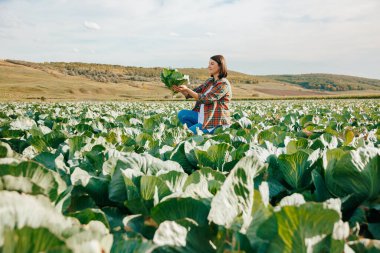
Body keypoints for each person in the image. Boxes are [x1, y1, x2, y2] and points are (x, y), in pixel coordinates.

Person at [173, 55, 232, 134]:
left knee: (187, 134)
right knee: (182, 114)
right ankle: (197, 133)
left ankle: (196, 133)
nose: (209, 66)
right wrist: (181, 89)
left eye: (212, 64)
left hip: (215, 121)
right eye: (209, 64)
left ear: (220, 66)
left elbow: (206, 99)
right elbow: (192, 93)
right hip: (204, 117)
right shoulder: (210, 81)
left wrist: (187, 89)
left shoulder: (223, 84)